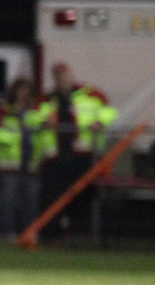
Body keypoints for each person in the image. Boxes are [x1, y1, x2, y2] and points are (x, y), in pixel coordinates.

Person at [38, 62, 116, 234]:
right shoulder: (48, 98)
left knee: (82, 196)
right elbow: (33, 116)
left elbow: (109, 111)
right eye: (57, 76)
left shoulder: (90, 94)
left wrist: (99, 122)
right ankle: (54, 234)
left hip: (83, 154)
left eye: (64, 75)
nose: (61, 79)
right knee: (53, 197)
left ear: (71, 75)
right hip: (55, 156)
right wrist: (43, 122)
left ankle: (81, 233)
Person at [0, 77, 52, 236]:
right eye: (20, 90)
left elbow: (42, 128)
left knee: (31, 200)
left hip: (31, 160)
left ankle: (30, 232)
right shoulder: (4, 111)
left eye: (26, 90)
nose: (23, 94)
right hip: (10, 162)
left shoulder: (35, 111)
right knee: (8, 200)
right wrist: (15, 139)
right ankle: (7, 232)